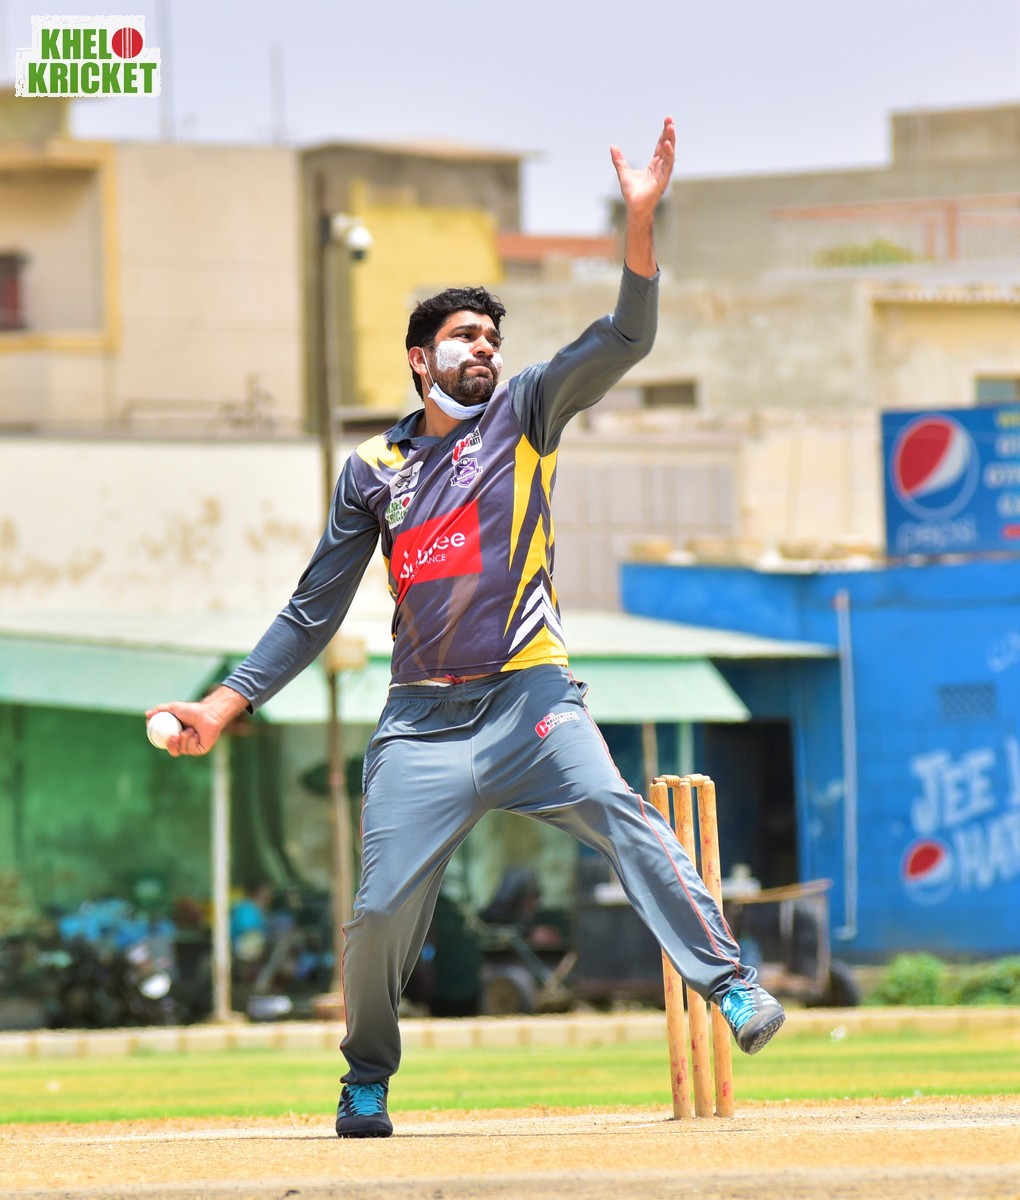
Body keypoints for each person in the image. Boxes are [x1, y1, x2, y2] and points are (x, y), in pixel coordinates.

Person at [147, 117, 785, 1139]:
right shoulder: (372, 471)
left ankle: (731, 986)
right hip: (420, 724)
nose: (485, 349)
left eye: (493, 338)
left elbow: (627, 338)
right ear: (420, 358)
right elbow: (313, 609)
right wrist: (222, 706)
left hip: (531, 697)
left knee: (618, 809)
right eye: (465, 337)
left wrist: (639, 221)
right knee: (378, 913)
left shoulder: (527, 413)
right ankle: (366, 1076)